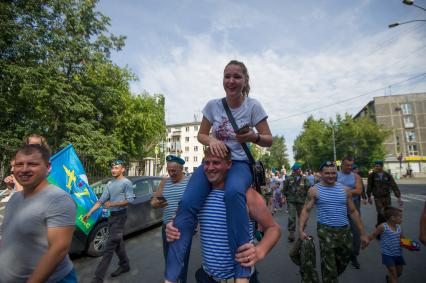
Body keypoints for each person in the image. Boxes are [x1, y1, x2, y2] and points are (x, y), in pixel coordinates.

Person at [166, 60, 273, 283]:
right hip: (214, 162)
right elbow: (201, 135)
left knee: (233, 193)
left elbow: (269, 140)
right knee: (187, 204)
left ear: (245, 81)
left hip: (239, 164)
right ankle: (171, 276)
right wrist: (212, 139)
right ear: (223, 80)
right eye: (227, 76)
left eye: (236, 76)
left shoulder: (253, 106)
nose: (231, 81)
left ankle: (242, 274)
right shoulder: (213, 105)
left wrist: (253, 137)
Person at [165, 147, 281, 283]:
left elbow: (274, 229)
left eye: (216, 162)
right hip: (207, 277)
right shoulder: (200, 196)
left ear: (229, 164)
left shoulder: (246, 195)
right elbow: (183, 216)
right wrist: (171, 225)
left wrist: (260, 250)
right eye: (206, 163)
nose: (210, 168)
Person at [0, 144, 77, 282]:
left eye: (32, 164)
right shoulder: (15, 198)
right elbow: (9, 238)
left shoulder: (59, 199)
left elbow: (58, 249)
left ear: (48, 167)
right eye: (19, 164)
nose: (24, 169)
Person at [299, 161, 369, 283]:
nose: (331, 176)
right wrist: (301, 230)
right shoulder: (314, 190)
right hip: (325, 230)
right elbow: (306, 210)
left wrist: (363, 233)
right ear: (321, 174)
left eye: (333, 173)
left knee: (343, 260)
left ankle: (331, 275)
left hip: (344, 231)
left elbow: (353, 212)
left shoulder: (345, 190)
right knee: (329, 267)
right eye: (327, 173)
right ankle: (330, 278)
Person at [83, 160, 135, 283]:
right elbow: (101, 201)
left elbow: (130, 200)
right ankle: (125, 264)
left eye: (116, 168)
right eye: (112, 168)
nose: (113, 170)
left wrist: (113, 203)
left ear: (122, 169)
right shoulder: (110, 184)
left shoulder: (126, 183)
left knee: (109, 246)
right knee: (118, 242)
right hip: (111, 217)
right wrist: (89, 213)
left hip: (121, 217)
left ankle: (98, 278)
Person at [151, 155, 190, 283]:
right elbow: (154, 201)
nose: (171, 173)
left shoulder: (189, 182)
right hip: (165, 227)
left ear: (181, 168)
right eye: (169, 170)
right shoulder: (165, 181)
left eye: (174, 170)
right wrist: (156, 203)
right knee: (168, 259)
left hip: (181, 228)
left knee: (181, 261)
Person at [337, 157, 363, 269]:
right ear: (342, 165)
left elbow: (359, 190)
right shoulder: (336, 175)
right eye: (347, 165)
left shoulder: (356, 176)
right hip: (339, 206)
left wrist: (344, 191)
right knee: (339, 230)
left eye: (351, 165)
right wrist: (349, 191)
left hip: (354, 206)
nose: (349, 167)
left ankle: (354, 255)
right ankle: (340, 253)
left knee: (356, 231)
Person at [368, 206, 405, 283]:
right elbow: (373, 235)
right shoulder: (383, 227)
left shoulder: (398, 227)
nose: (401, 219)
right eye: (400, 217)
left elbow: (403, 239)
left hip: (398, 254)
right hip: (387, 255)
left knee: (399, 272)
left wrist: (411, 245)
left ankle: (389, 279)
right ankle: (392, 279)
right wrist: (366, 242)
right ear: (392, 218)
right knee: (394, 275)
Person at [367, 160, 402, 227]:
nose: (376, 167)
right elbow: (369, 186)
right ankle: (380, 227)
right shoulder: (372, 175)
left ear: (381, 166)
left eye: (377, 166)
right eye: (375, 166)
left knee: (388, 213)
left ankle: (388, 227)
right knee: (380, 213)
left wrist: (398, 197)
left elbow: (394, 185)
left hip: (387, 197)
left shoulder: (387, 175)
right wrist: (369, 197)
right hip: (378, 197)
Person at [283, 163, 310, 242]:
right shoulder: (288, 179)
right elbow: (284, 189)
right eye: (298, 169)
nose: (300, 170)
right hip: (291, 201)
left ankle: (302, 231)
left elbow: (309, 189)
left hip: (301, 201)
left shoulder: (304, 179)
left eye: (300, 169)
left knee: (302, 217)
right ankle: (291, 233)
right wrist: (285, 197)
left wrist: (309, 199)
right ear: (294, 170)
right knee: (292, 217)